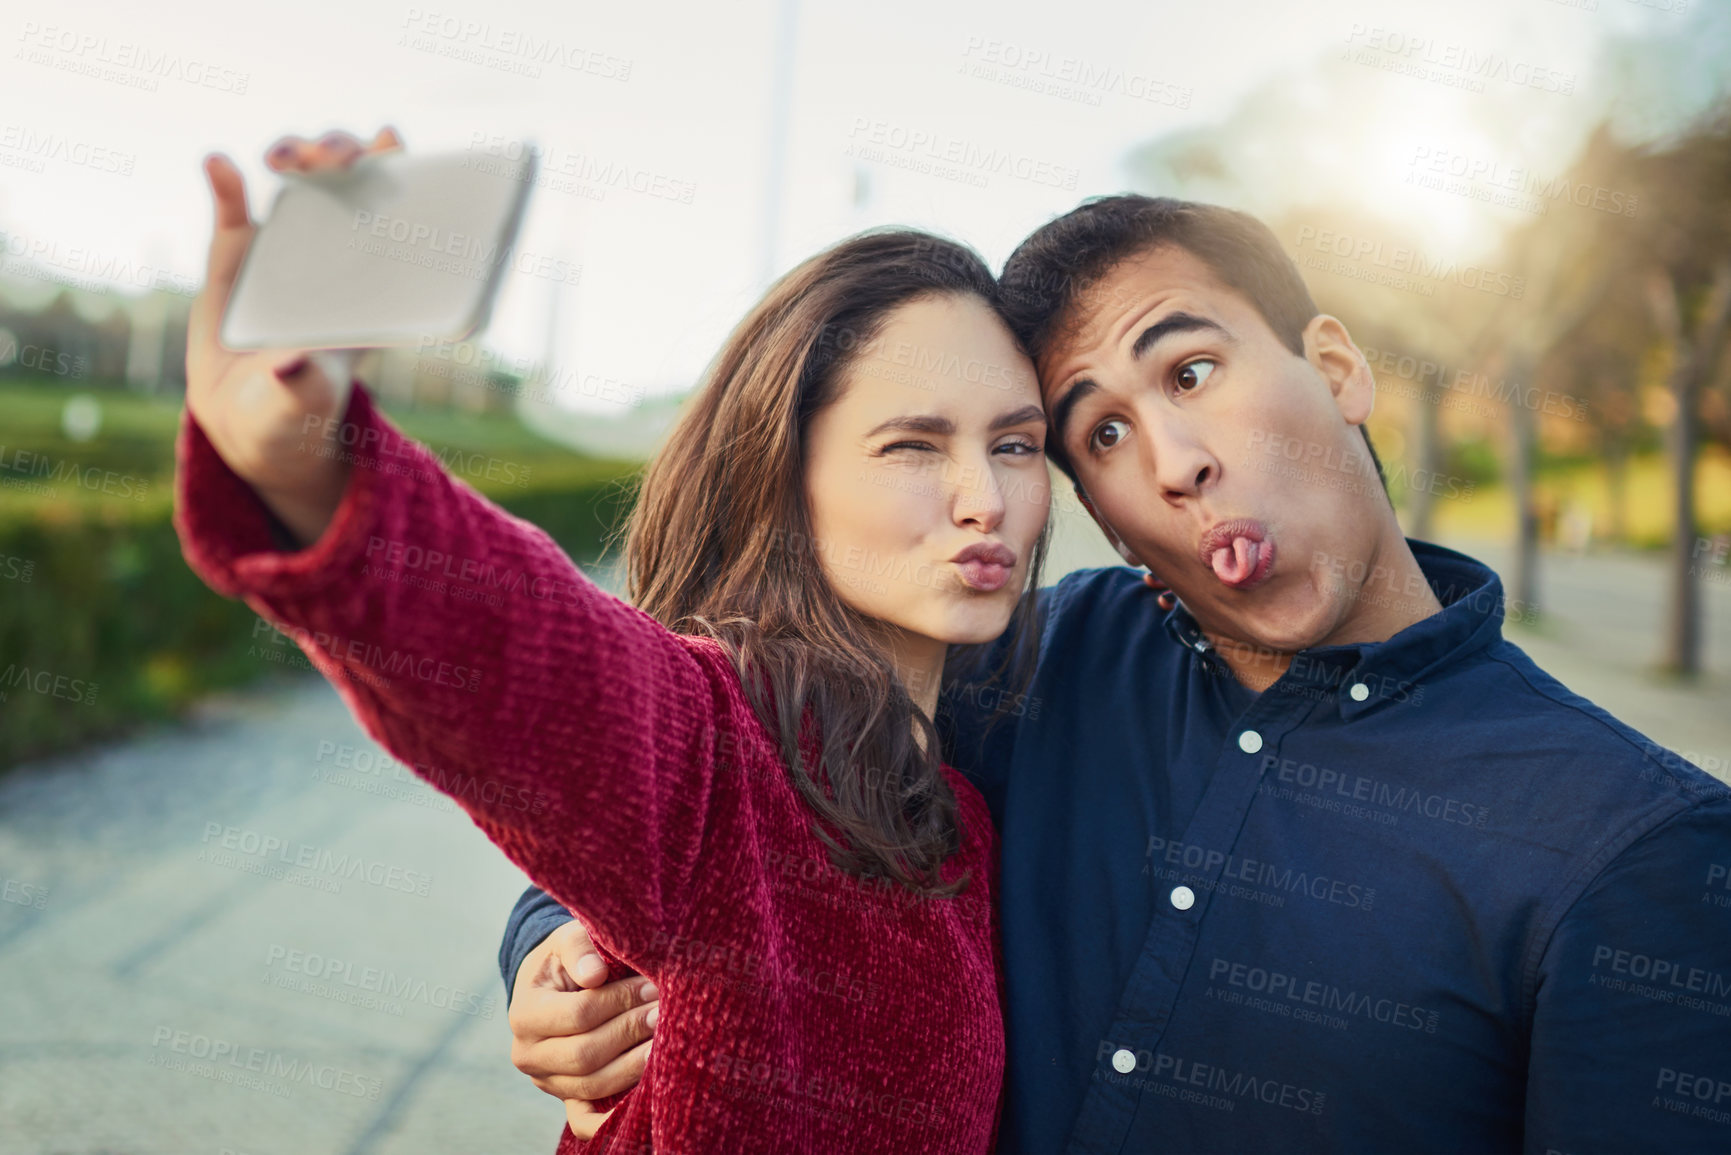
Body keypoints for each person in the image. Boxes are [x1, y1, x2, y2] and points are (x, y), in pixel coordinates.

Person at [504, 194, 1731, 1154]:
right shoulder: (1011, 673)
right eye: (1100, 433)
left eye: (1191, 373)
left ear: (1339, 370)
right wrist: (558, 953)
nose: (1177, 462)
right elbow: (696, 774)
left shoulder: (1632, 843)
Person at [176, 125, 1060, 1153]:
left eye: (1016, 445)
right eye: (914, 444)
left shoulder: (967, 815)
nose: (984, 498)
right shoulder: (719, 741)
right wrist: (309, 466)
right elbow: (520, 658)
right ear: (783, 474)